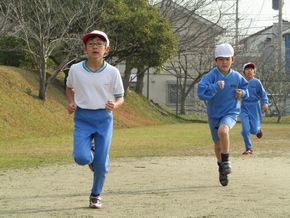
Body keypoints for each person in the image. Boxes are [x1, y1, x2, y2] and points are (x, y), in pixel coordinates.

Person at [66, 30, 124, 209]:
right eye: (91, 44)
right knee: (81, 158)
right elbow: (69, 88)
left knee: (101, 164)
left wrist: (115, 105)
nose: (95, 46)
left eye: (99, 44)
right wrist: (71, 102)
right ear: (85, 49)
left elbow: (121, 97)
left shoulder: (113, 72)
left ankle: (95, 195)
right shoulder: (75, 69)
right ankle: (91, 155)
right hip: (83, 117)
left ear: (107, 49)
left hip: (104, 119)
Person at [197, 43, 249, 186]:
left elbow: (246, 89)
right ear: (216, 61)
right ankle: (221, 167)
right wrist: (214, 86)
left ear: (233, 60)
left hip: (231, 112)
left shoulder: (237, 77)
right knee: (217, 145)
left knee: (223, 130)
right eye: (221, 59)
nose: (224, 62)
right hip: (214, 114)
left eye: (227, 59)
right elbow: (201, 93)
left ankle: (226, 161)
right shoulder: (211, 76)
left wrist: (242, 93)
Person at [240, 62, 269, 155]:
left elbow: (263, 94)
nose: (249, 71)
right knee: (245, 130)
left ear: (254, 72)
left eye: (251, 69)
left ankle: (258, 130)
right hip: (244, 107)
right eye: (247, 69)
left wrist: (265, 103)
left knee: (253, 131)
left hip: (255, 107)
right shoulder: (240, 81)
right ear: (244, 72)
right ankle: (249, 148)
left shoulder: (257, 82)